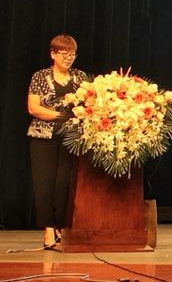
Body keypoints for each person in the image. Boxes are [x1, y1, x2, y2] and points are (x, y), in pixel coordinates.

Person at [26, 34, 88, 248]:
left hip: (70, 138)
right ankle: (48, 229)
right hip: (43, 137)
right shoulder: (40, 76)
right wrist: (62, 116)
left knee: (64, 184)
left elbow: (89, 104)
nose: (68, 58)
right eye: (64, 53)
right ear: (53, 54)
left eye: (72, 54)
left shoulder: (80, 77)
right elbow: (34, 108)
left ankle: (61, 227)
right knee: (44, 183)